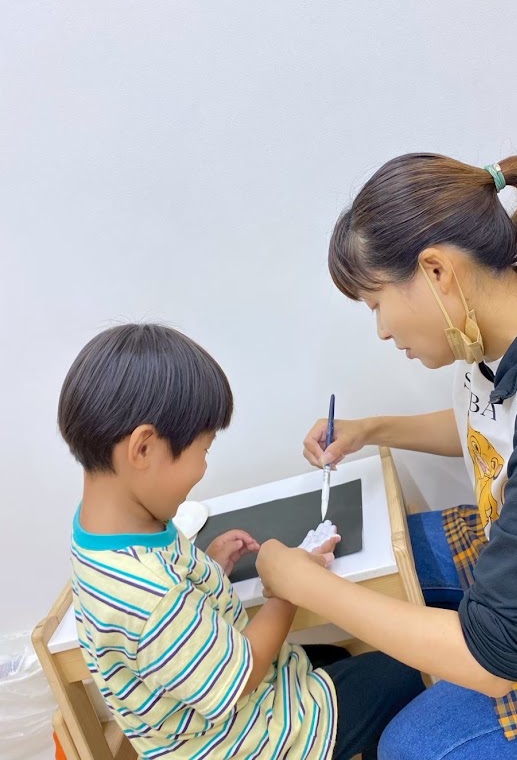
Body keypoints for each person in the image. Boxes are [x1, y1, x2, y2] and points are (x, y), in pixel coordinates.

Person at [256, 153, 517, 759]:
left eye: (376, 302)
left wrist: (302, 586)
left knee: (417, 747)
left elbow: (497, 659)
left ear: (436, 271)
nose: (381, 330)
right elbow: (503, 429)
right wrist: (372, 428)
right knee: (390, 553)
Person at [60, 323, 422, 760]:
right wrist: (289, 587)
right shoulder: (149, 598)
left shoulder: (106, 526)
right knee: (413, 667)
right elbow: (243, 674)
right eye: (204, 450)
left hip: (245, 701)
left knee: (332, 652)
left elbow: (170, 602)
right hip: (257, 740)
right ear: (143, 449)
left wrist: (206, 567)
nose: (204, 468)